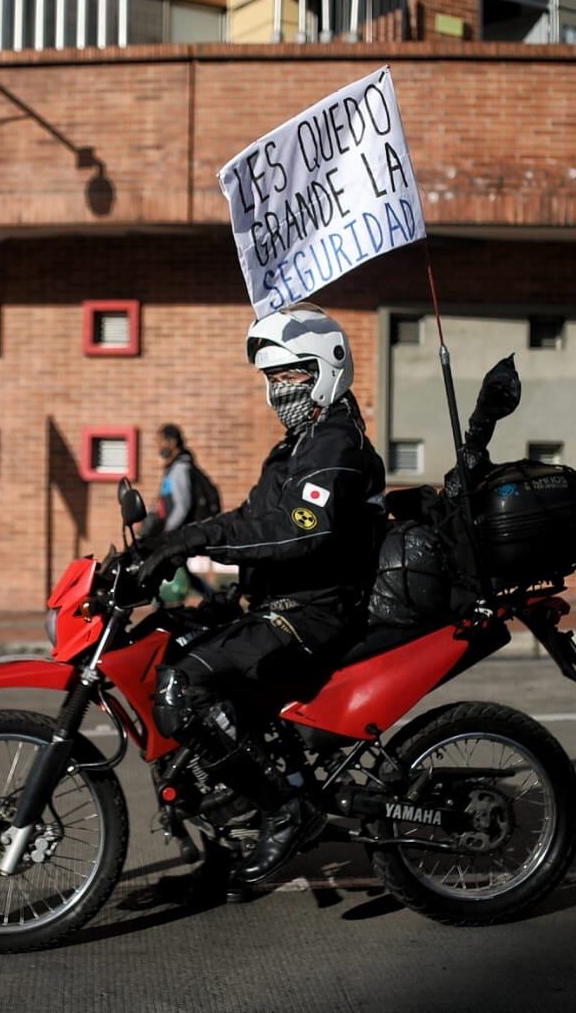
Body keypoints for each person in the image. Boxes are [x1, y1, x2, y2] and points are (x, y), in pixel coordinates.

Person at [136, 304, 386, 883]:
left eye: (290, 376)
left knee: (186, 684)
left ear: (328, 368)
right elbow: (249, 518)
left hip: (316, 610)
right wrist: (165, 545)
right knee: (171, 645)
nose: (278, 391)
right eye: (272, 380)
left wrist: (191, 543)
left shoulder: (335, 444)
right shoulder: (295, 448)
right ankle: (221, 827)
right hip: (281, 603)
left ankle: (285, 808)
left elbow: (299, 530)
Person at [146, 424, 220, 601]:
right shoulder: (174, 467)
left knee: (164, 569)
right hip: (177, 531)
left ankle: (213, 599)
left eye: (160, 442)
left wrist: (168, 531)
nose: (158, 447)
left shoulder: (180, 469)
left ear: (172, 442)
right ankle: (214, 598)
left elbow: (182, 506)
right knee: (182, 571)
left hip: (179, 532)